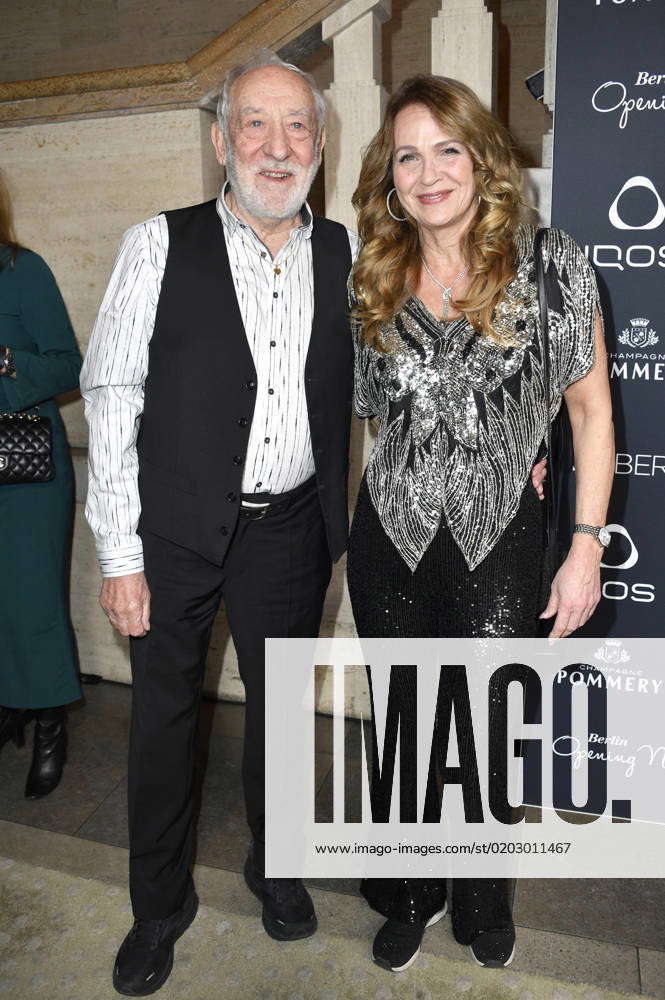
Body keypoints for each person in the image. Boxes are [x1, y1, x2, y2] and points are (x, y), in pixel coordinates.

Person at [80, 49, 359, 997]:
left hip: (291, 529)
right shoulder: (158, 242)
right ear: (219, 139)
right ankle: (157, 909)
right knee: (163, 723)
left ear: (319, 145)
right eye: (255, 124)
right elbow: (112, 394)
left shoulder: (343, 252)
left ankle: (276, 868)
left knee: (282, 711)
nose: (277, 148)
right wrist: (119, 553)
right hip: (173, 531)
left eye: (297, 128)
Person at [346, 75, 614, 973]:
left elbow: (589, 413)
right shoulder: (374, 272)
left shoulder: (552, 264)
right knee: (406, 728)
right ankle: (413, 890)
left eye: (445, 149)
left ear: (481, 156)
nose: (427, 173)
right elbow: (374, 416)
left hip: (501, 535)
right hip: (387, 536)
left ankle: (480, 894)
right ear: (391, 175)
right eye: (408, 155)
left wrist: (582, 547)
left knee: (491, 732)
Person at [0, 171, 82, 799]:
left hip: (23, 467)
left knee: (33, 601)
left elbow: (67, 365)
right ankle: (12, 705)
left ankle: (51, 723)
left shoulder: (22, 269)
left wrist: (5, 362)